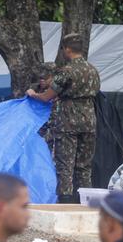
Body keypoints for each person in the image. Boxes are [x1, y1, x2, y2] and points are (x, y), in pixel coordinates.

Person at [28, 34, 101, 204]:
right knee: (84, 166)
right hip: (89, 120)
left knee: (65, 165)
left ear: (67, 49)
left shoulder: (66, 72)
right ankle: (85, 203)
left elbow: (47, 97)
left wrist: (33, 94)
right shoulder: (93, 70)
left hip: (68, 121)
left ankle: (66, 203)